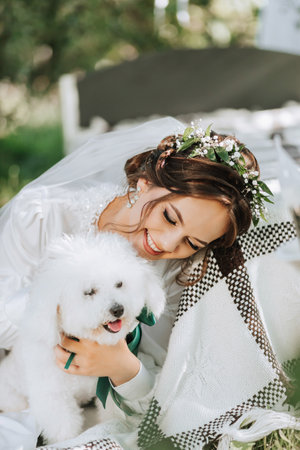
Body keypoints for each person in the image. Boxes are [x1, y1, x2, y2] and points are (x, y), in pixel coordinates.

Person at [0, 117, 299, 449]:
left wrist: (123, 367)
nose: (168, 244)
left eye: (193, 242)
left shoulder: (174, 274)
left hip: (93, 407)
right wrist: (57, 315)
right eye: (169, 217)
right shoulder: (42, 217)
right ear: (144, 182)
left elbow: (157, 385)